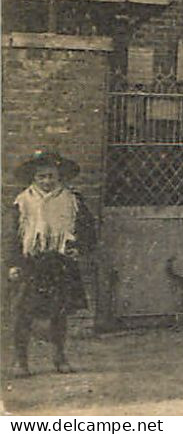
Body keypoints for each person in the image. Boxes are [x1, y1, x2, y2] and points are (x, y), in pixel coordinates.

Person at [8, 150, 95, 376]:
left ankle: (59, 357)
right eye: (41, 177)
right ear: (33, 179)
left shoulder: (72, 200)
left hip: (60, 262)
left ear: (59, 177)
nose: (47, 181)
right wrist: (13, 264)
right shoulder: (23, 201)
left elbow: (88, 230)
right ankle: (21, 361)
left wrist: (78, 247)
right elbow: (12, 236)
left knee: (59, 312)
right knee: (23, 312)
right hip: (31, 263)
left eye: (51, 177)